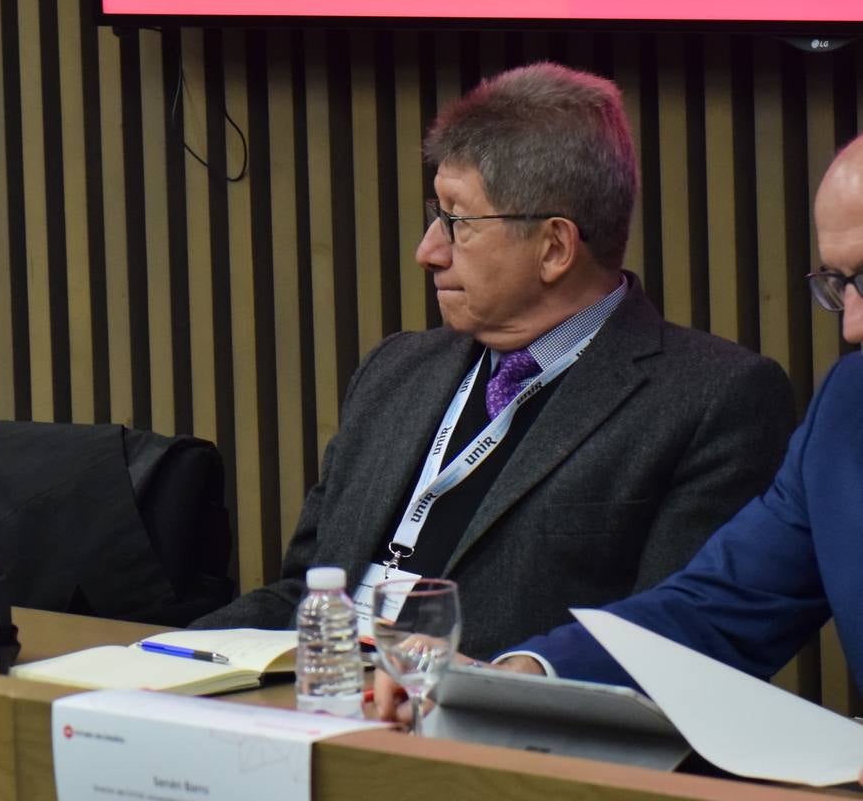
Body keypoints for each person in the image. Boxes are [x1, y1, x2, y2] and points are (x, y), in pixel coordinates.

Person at [190, 63, 793, 658]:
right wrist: (144, 661)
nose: (427, 252)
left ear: (555, 246)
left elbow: (670, 650)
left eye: (456, 222)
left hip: (504, 733)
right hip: (323, 700)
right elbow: (305, 595)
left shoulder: (713, 400)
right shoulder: (394, 371)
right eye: (436, 217)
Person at [438, 135, 863, 693]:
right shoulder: (848, 407)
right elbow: (719, 607)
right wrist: (524, 677)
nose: (852, 327)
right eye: (841, 284)